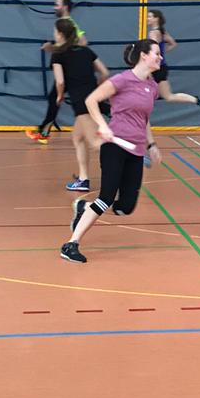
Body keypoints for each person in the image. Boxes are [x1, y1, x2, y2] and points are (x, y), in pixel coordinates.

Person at [59, 39, 163, 263]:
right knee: (106, 198)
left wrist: (151, 144)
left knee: (125, 207)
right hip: (114, 146)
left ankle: (84, 207)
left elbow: (144, 119)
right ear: (144, 55)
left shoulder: (152, 87)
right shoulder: (122, 80)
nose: (160, 57)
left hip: (136, 150)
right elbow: (91, 100)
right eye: (157, 53)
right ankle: (71, 244)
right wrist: (103, 126)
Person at [50, 16, 110, 193]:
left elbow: (60, 81)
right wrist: (97, 89)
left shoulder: (58, 55)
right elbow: (105, 72)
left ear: (60, 34)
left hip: (81, 103)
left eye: (55, 31)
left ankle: (132, 155)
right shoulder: (86, 51)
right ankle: (83, 180)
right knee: (77, 137)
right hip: (94, 98)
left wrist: (59, 96)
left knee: (95, 142)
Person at [27, 0, 86, 144]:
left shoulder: (69, 23)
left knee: (63, 99)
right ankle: (43, 131)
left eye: (57, 5)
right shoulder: (64, 23)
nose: (54, 7)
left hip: (68, 70)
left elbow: (83, 42)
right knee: (57, 99)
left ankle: (43, 132)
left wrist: (54, 49)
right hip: (68, 69)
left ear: (64, 7)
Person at [145, 9, 200, 116]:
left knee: (143, 94)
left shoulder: (153, 33)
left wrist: (151, 65)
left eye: (150, 17)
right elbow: (173, 44)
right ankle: (197, 100)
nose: (147, 19)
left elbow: (153, 51)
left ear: (156, 19)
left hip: (155, 68)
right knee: (168, 96)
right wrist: (162, 54)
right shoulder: (162, 32)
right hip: (161, 67)